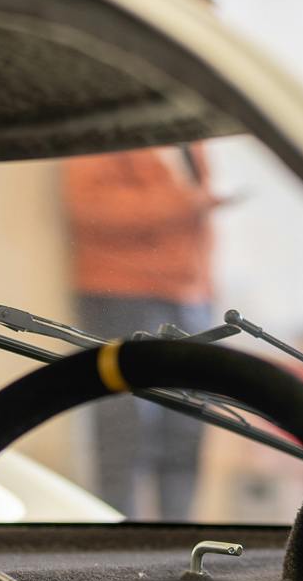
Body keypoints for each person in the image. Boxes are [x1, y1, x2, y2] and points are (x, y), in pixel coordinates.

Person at [61, 142, 224, 518]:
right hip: (123, 293)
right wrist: (185, 202)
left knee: (188, 426)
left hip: (191, 295)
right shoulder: (105, 131)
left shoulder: (187, 136)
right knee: (126, 431)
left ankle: (181, 542)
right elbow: (88, 209)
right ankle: (118, 542)